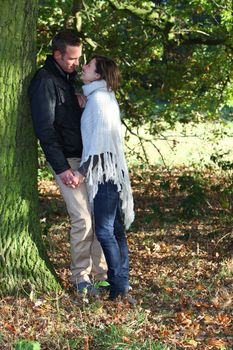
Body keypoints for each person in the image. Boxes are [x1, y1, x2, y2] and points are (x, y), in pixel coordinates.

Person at [28, 30, 107, 293]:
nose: (76, 63)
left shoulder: (70, 79)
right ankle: (80, 278)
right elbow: (45, 129)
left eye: (79, 58)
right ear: (57, 54)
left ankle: (101, 276)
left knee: (98, 217)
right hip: (67, 161)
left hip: (86, 160)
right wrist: (62, 169)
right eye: (72, 58)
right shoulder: (45, 81)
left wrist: (81, 105)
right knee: (82, 218)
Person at [75, 55, 135, 301]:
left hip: (104, 175)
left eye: (88, 66)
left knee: (105, 230)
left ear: (98, 75)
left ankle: (119, 286)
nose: (83, 67)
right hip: (111, 172)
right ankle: (122, 282)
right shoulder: (102, 98)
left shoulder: (99, 101)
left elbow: (99, 145)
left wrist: (82, 171)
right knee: (115, 230)